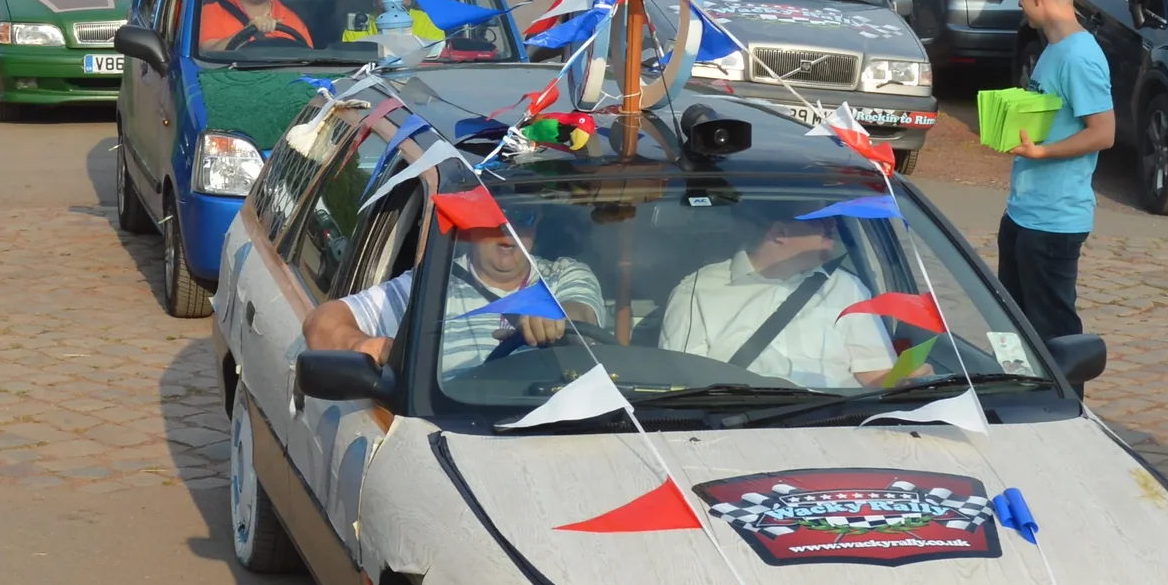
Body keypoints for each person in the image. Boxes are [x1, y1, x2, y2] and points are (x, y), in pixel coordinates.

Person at [306, 211, 604, 378]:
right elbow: (320, 323)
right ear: (471, 225)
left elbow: (583, 312)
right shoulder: (429, 286)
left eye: (521, 218)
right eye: (493, 218)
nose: (507, 230)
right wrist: (367, 346)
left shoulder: (563, 275)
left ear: (536, 225)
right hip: (453, 428)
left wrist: (556, 316)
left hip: (559, 422)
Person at [1000, 0, 1116, 350]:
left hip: (1054, 222)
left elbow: (1103, 133)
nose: (1017, 1)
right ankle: (1021, 404)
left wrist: (1043, 154)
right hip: (1024, 211)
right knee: (1012, 329)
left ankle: (1068, 408)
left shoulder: (1080, 56)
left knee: (1054, 334)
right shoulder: (1053, 47)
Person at [657, 215, 895, 390]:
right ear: (779, 233)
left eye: (833, 218)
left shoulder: (847, 287)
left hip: (840, 422)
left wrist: (905, 381)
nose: (833, 224)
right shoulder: (698, 290)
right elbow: (682, 382)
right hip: (735, 423)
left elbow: (875, 374)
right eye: (820, 220)